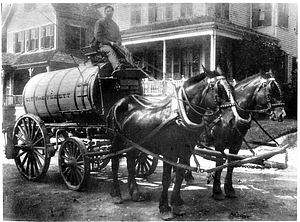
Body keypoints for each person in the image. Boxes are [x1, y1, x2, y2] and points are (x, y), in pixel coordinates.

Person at [93, 5, 134, 70]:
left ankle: (132, 67)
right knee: (110, 51)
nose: (110, 13)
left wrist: (118, 43)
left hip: (114, 45)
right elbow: (98, 36)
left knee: (126, 51)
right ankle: (117, 67)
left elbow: (119, 37)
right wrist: (109, 42)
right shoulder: (100, 22)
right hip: (103, 45)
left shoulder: (114, 25)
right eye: (108, 11)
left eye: (111, 12)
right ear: (104, 12)